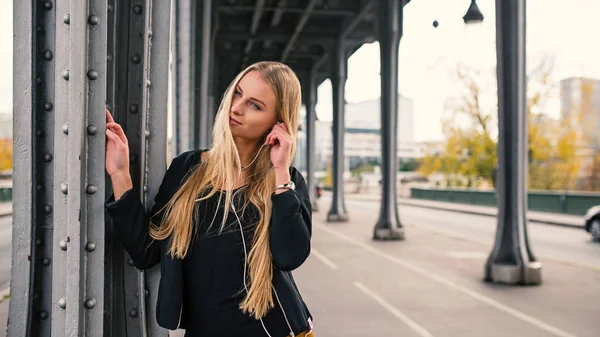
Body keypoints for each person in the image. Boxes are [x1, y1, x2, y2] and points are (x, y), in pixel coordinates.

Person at [104, 61, 314, 337]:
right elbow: (146, 250)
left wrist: (280, 171)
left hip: (271, 330)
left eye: (255, 105)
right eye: (237, 93)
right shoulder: (188, 169)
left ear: (278, 123)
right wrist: (120, 173)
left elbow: (290, 256)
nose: (236, 108)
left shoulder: (286, 182)